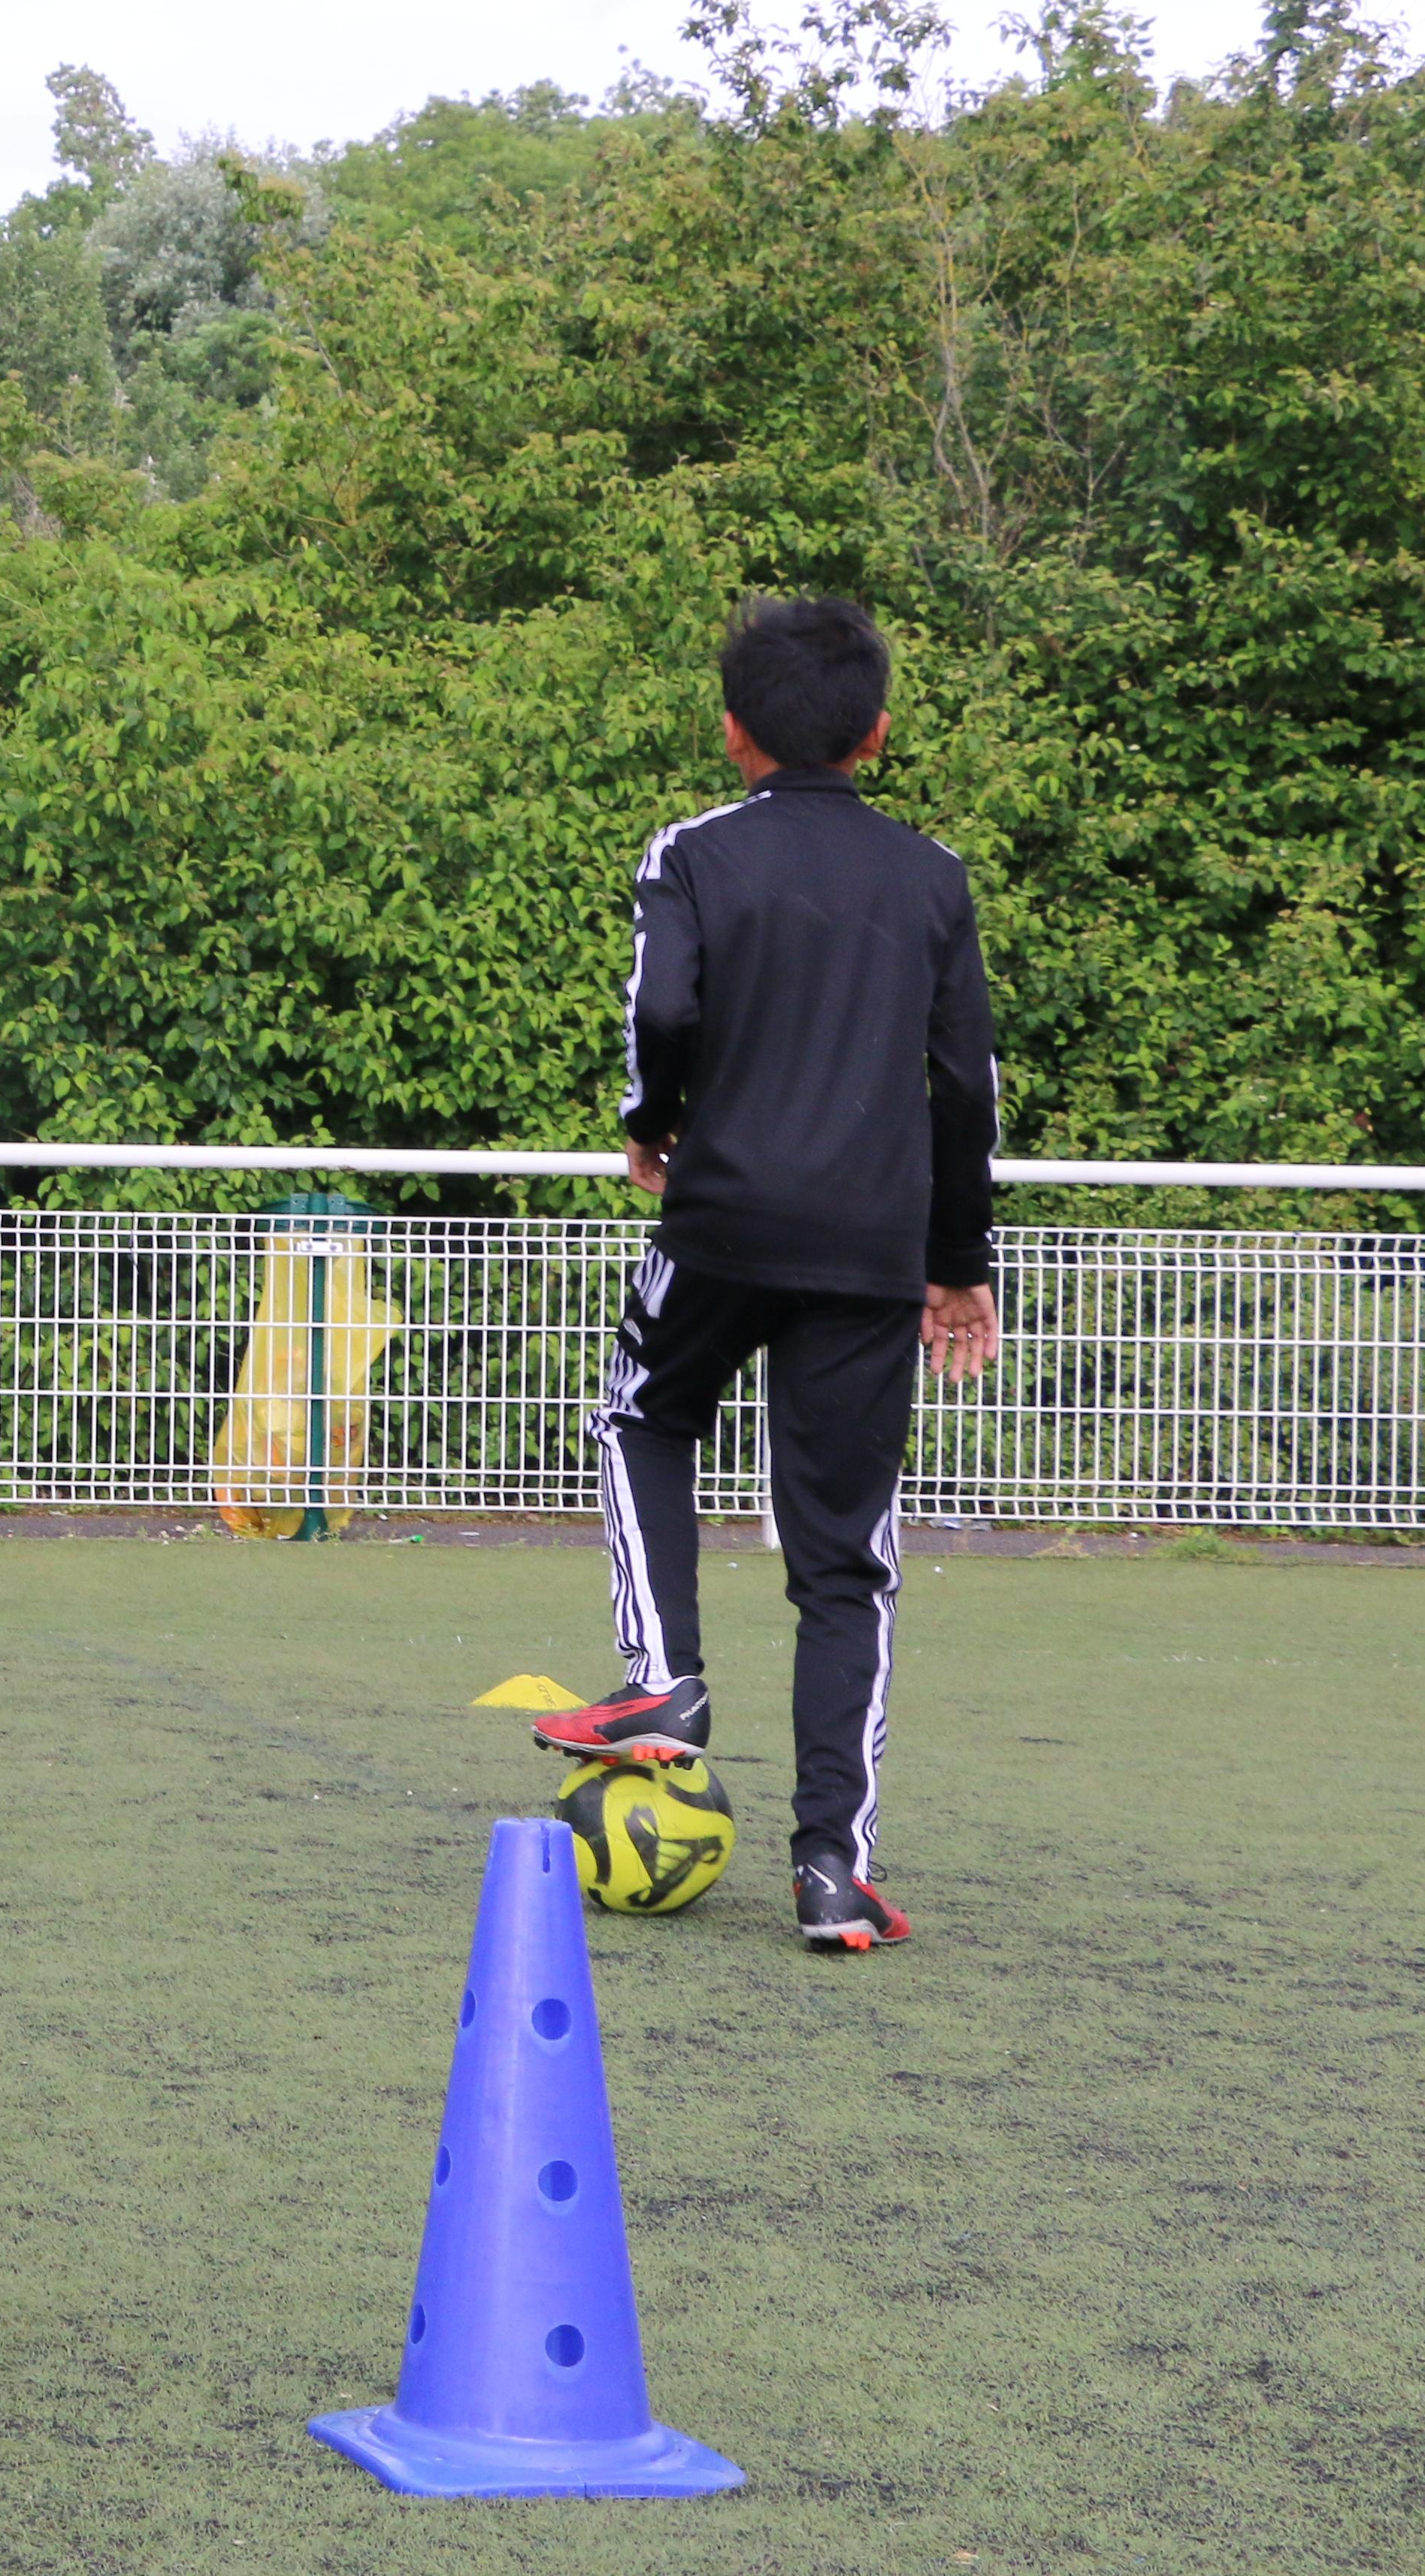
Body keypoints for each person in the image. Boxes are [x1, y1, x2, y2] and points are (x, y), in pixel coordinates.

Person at [532, 597, 1002, 1955]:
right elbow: (964, 1087)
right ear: (879, 732)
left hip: (725, 1221)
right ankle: (830, 1874)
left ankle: (664, 1686)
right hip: (870, 1251)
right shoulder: (932, 877)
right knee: (844, 1559)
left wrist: (649, 1123)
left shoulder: (693, 852)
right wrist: (955, 1264)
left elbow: (661, 1011)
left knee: (638, 1412)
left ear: (731, 728)